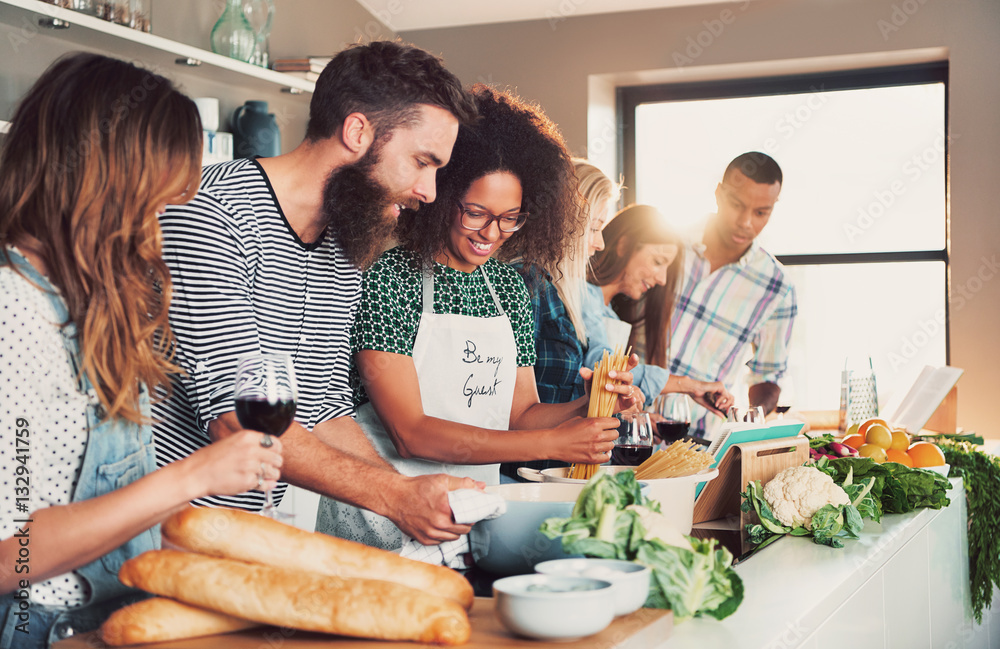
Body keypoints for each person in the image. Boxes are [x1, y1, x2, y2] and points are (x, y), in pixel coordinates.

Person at [0, 53, 283, 647]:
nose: (161, 224)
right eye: (152, 203)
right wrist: (192, 476)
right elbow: (10, 558)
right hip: (40, 629)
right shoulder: (13, 310)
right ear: (99, 180)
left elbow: (102, 503)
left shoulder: (84, 303)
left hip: (117, 616)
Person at [152, 40, 483, 546]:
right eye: (422, 161)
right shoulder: (211, 213)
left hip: (248, 534)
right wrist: (395, 497)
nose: (429, 191)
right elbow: (237, 421)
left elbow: (324, 409)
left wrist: (409, 495)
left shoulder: (344, 244)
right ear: (357, 132)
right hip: (159, 532)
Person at [316, 86, 640, 555]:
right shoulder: (390, 278)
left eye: (510, 218)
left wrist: (589, 404)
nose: (491, 233)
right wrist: (552, 443)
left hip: (469, 515)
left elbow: (520, 415)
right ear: (443, 197)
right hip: (380, 517)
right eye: (476, 213)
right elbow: (410, 433)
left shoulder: (508, 290)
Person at [667, 151, 796, 438]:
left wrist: (748, 423)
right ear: (718, 194)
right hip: (625, 429)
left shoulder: (777, 287)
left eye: (761, 213)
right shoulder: (668, 242)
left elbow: (768, 375)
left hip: (696, 442)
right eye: (737, 205)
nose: (746, 222)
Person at [583, 204, 734, 425]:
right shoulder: (583, 294)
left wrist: (634, 418)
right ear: (624, 246)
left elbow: (602, 397)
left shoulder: (611, 313)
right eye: (657, 262)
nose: (662, 279)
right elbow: (604, 370)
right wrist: (690, 386)